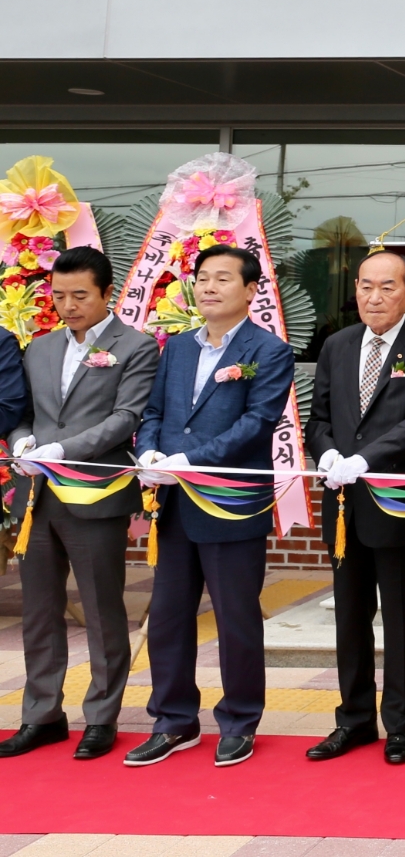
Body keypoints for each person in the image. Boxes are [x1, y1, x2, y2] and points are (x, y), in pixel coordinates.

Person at [127, 243, 296, 768]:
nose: (208, 286)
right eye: (202, 277)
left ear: (250, 291)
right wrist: (150, 451)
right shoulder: (176, 347)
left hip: (231, 503)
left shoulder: (269, 351)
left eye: (223, 278)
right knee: (170, 616)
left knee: (236, 617)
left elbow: (255, 426)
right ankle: (173, 721)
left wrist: (187, 458)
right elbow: (154, 409)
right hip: (176, 502)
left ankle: (240, 720)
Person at [0, 246, 157, 761]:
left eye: (80, 296)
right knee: (40, 612)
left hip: (97, 492)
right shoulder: (39, 348)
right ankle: (41, 714)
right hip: (38, 496)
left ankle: (102, 716)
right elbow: (23, 412)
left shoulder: (135, 347)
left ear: (107, 294)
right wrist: (21, 443)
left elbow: (126, 417)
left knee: (102, 609)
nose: (68, 305)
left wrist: (63, 450)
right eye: (59, 295)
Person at [303, 249, 405, 766]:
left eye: (387, 287)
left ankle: (401, 723)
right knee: (350, 617)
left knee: (404, 619)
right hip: (344, 507)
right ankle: (354, 719)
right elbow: (317, 417)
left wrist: (362, 459)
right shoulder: (338, 345)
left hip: (400, 504)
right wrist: (326, 452)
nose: (374, 296)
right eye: (366, 286)